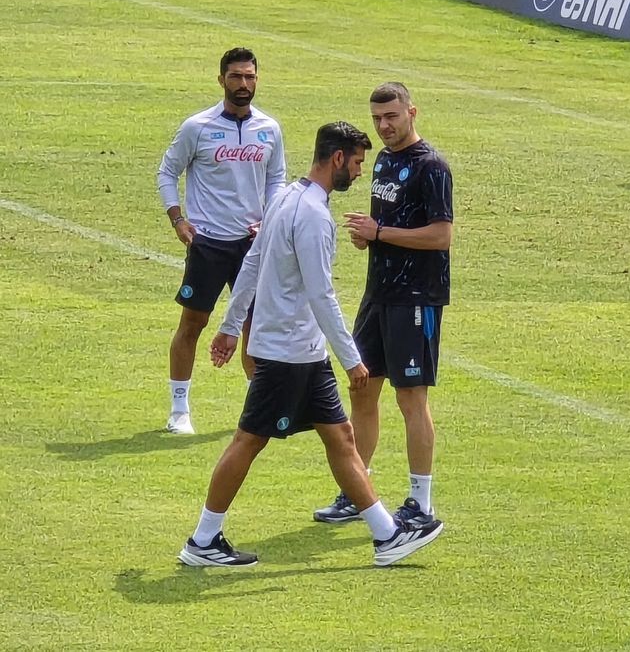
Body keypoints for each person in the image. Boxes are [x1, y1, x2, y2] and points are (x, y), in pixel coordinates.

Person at [177, 121, 443, 568]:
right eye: (356, 161)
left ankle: (387, 534)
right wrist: (352, 359)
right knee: (248, 441)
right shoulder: (315, 217)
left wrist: (230, 325)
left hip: (302, 351)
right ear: (337, 158)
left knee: (341, 437)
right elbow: (322, 295)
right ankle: (203, 540)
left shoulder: (283, 198)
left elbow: (252, 264)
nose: (360, 171)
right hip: (289, 353)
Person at [313, 83, 453, 529]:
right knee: (362, 388)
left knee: (411, 398)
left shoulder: (432, 166)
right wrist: (368, 238)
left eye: (391, 116)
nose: (384, 126)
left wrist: (380, 234)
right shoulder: (383, 161)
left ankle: (421, 502)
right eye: (377, 119)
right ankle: (358, 492)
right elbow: (386, 227)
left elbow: (441, 236)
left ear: (412, 112)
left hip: (415, 298)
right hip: (378, 295)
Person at [157, 47, 287, 435]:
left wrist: (270, 219)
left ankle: (257, 410)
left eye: (249, 76)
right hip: (208, 243)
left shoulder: (269, 128)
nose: (243, 84)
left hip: (252, 245)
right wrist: (178, 219)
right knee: (193, 322)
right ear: (221, 80)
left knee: (255, 325)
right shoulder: (197, 127)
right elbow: (167, 172)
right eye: (236, 76)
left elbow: (276, 178)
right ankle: (179, 410)